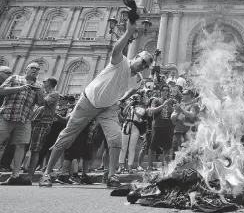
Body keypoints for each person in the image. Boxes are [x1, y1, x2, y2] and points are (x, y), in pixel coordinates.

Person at [39, 20, 153, 188]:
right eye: (142, 61)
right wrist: (128, 33)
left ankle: (112, 176)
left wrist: (121, 100)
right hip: (88, 101)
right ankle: (46, 174)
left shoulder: (137, 79)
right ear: (135, 57)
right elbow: (116, 49)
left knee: (116, 138)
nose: (142, 66)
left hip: (108, 107)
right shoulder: (120, 62)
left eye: (146, 65)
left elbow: (134, 89)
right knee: (67, 136)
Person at [0, 62, 44, 185]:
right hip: (7, 115)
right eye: (32, 68)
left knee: (21, 146)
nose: (35, 70)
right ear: (26, 69)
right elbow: (1, 90)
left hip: (24, 119)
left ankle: (15, 175)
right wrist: (20, 88)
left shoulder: (39, 85)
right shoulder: (14, 78)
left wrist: (40, 94)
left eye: (37, 69)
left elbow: (40, 104)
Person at [27, 77, 60, 182]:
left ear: (49, 83)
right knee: (28, 147)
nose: (43, 83)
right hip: (34, 122)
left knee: (35, 149)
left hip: (43, 123)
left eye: (44, 81)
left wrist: (39, 93)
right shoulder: (45, 93)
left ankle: (30, 176)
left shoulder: (55, 94)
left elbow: (42, 103)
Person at [118, 94, 146, 174]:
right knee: (123, 147)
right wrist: (129, 105)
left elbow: (141, 116)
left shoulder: (141, 107)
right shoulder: (128, 106)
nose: (135, 100)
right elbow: (123, 113)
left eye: (137, 99)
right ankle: (120, 166)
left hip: (135, 127)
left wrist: (134, 110)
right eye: (133, 99)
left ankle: (130, 167)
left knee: (132, 148)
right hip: (127, 125)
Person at [171, 89, 199, 155]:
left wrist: (181, 110)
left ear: (189, 95)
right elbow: (172, 118)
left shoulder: (195, 105)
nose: (182, 95)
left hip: (190, 135)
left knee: (187, 156)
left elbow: (192, 115)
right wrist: (178, 112)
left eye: (184, 94)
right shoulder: (181, 105)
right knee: (175, 157)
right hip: (177, 134)